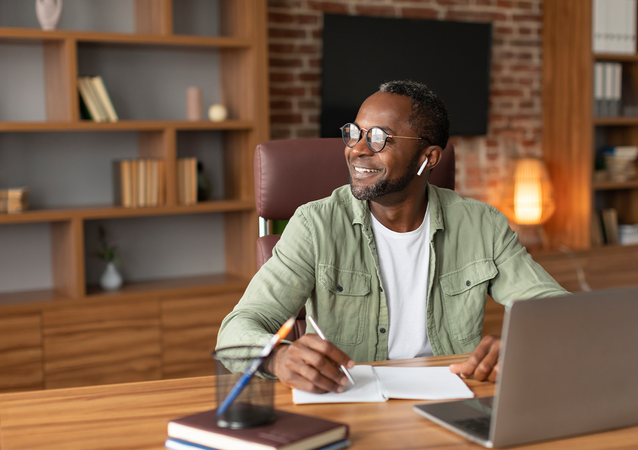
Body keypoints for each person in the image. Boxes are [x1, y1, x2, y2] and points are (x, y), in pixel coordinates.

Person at [216, 80, 568, 394]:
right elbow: (236, 330)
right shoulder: (315, 224)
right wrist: (277, 359)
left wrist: (524, 344)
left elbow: (559, 310)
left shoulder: (481, 224)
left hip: (449, 398)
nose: (357, 150)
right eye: (354, 133)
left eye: (379, 138)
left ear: (427, 158)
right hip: (351, 398)